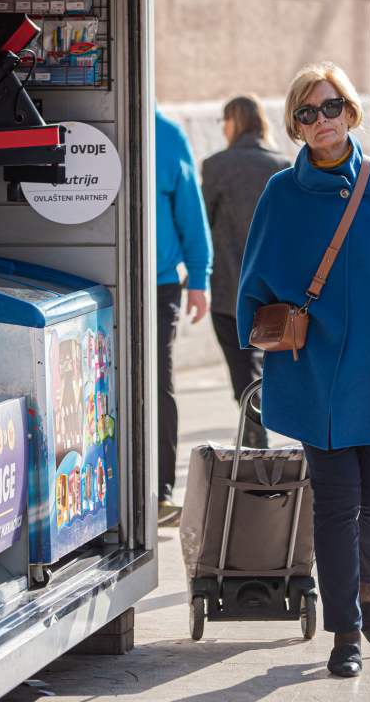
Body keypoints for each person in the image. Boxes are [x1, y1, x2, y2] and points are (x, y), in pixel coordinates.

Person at [236, 62, 370, 678]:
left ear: (350, 112)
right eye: (307, 113)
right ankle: (345, 634)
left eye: (331, 107)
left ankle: (367, 579)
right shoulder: (280, 193)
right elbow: (252, 283)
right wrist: (259, 330)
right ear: (294, 125)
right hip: (315, 377)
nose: (322, 121)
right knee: (337, 503)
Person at [202, 95, 292, 449]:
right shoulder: (283, 164)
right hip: (275, 288)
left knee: (241, 363)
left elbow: (204, 223)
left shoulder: (216, 165)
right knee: (265, 360)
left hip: (228, 285)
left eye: (223, 121)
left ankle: (254, 426)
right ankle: (254, 423)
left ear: (233, 121)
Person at [155, 108, 214, 527]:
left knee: (158, 382)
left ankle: (159, 493)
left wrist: (199, 277)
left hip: (158, 285)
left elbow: (190, 213)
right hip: (90, 283)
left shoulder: (167, 134)